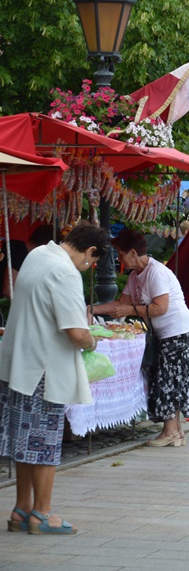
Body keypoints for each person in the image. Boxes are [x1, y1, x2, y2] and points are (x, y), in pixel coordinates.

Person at [0, 222, 108, 535]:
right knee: (43, 444)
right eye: (93, 261)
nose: (89, 267)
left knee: (24, 442)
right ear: (89, 251)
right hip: (43, 371)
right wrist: (92, 341)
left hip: (18, 363)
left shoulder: (38, 256)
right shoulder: (65, 272)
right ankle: (42, 513)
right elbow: (76, 332)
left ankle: (22, 509)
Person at [90, 229, 189, 448]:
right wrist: (92, 308)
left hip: (175, 330)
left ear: (132, 253)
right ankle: (176, 431)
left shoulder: (155, 272)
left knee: (169, 378)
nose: (119, 259)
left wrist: (130, 310)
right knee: (167, 377)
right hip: (162, 333)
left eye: (120, 254)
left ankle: (170, 432)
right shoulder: (134, 276)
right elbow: (121, 304)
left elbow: (160, 307)